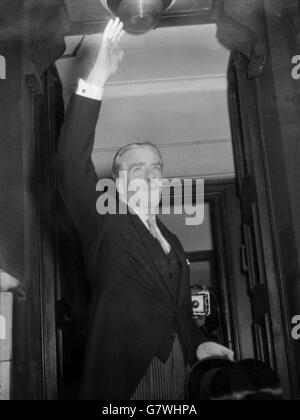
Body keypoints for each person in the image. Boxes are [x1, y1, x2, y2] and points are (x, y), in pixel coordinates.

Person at [56, 17, 234, 400]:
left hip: (180, 376)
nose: (151, 174)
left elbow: (178, 311)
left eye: (157, 168)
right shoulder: (103, 218)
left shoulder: (171, 239)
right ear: (119, 182)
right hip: (122, 377)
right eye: (139, 169)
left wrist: (199, 343)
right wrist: (97, 79)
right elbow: (70, 162)